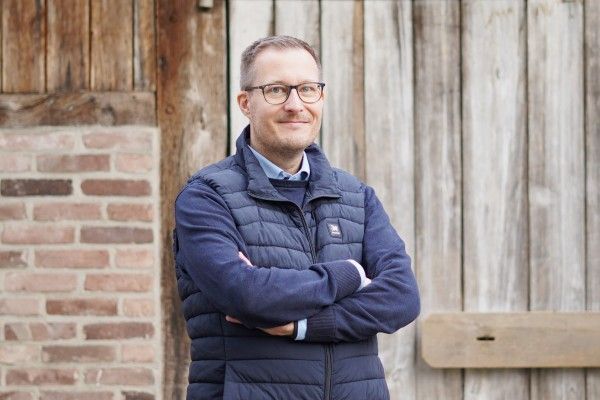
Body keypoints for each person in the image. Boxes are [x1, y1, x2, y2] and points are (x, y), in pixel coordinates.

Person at [174, 35, 420, 400]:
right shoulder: (206, 198)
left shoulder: (356, 196)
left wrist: (302, 325)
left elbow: (402, 297)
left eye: (307, 89)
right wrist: (350, 275)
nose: (295, 105)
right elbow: (246, 295)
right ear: (246, 103)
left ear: (320, 98)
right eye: (276, 90)